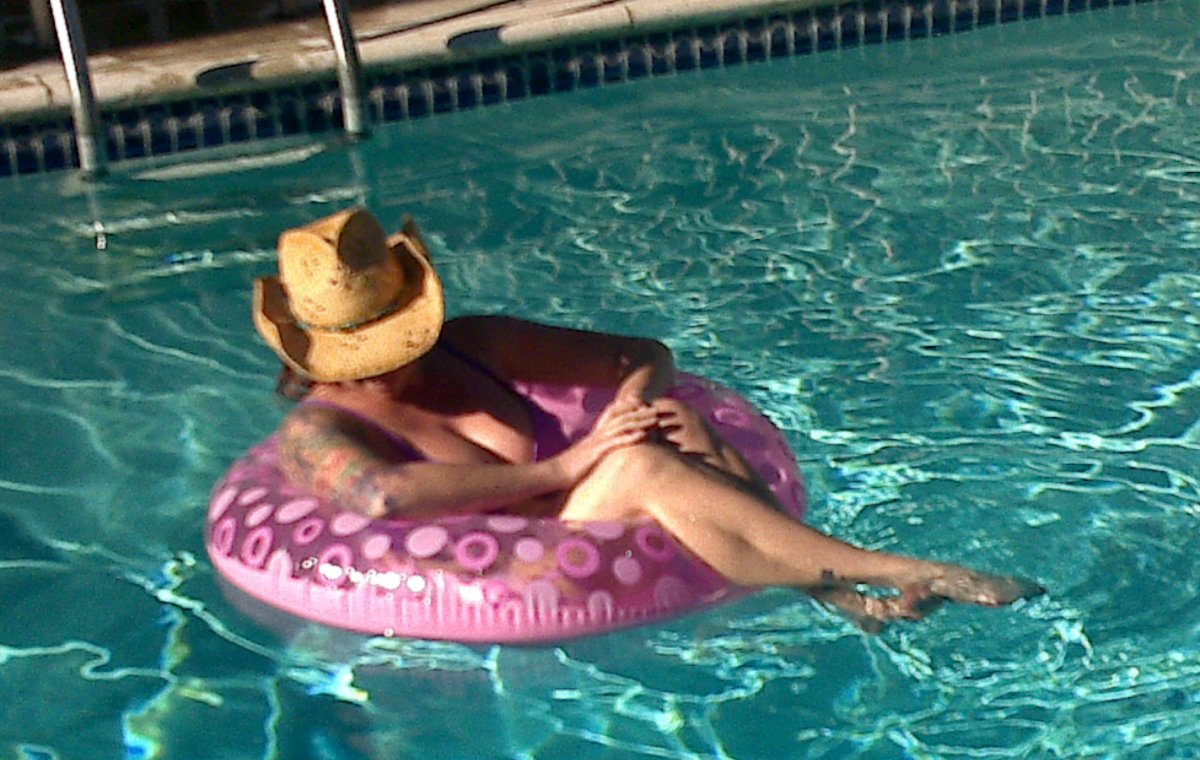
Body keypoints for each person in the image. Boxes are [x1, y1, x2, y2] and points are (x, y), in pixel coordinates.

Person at [252, 207, 1042, 630]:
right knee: (639, 464)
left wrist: (630, 408)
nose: (389, 362)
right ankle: (898, 569)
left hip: (573, 509)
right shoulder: (318, 432)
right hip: (501, 567)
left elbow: (643, 354)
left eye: (396, 337)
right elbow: (379, 495)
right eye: (366, 352)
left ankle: (838, 597)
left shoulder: (474, 344)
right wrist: (571, 464)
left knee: (667, 424)